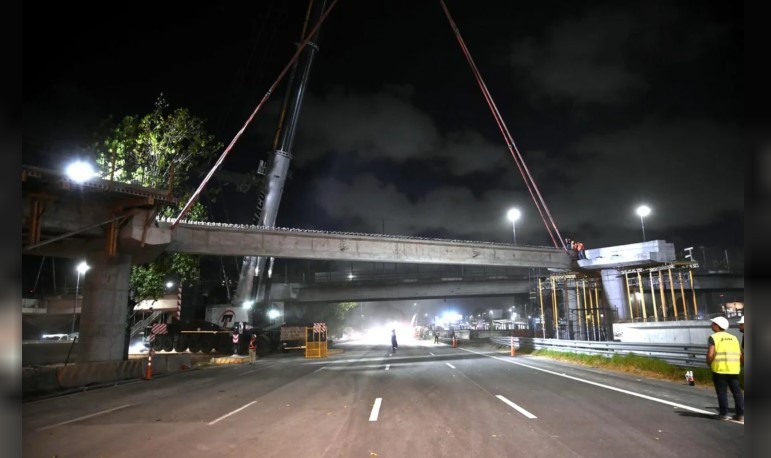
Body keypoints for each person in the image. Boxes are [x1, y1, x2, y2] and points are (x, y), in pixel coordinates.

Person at [706, 316, 744, 421]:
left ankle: (723, 414)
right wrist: (740, 364)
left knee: (722, 392)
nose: (711, 325)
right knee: (737, 392)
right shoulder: (734, 337)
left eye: (713, 323)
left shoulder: (713, 337)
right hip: (734, 369)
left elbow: (710, 354)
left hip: (720, 370)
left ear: (717, 326)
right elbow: (740, 353)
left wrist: (709, 363)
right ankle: (740, 415)